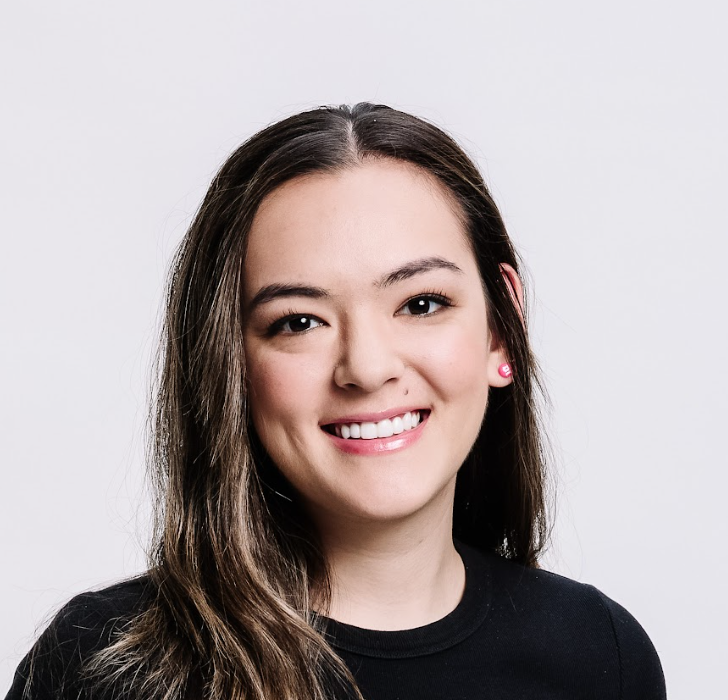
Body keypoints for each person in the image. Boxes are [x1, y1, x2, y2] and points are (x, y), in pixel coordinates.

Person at [5, 103, 667, 700]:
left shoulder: (599, 657)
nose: (367, 368)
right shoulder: (102, 668)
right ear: (230, 364)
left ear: (501, 328)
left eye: (421, 303)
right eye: (298, 322)